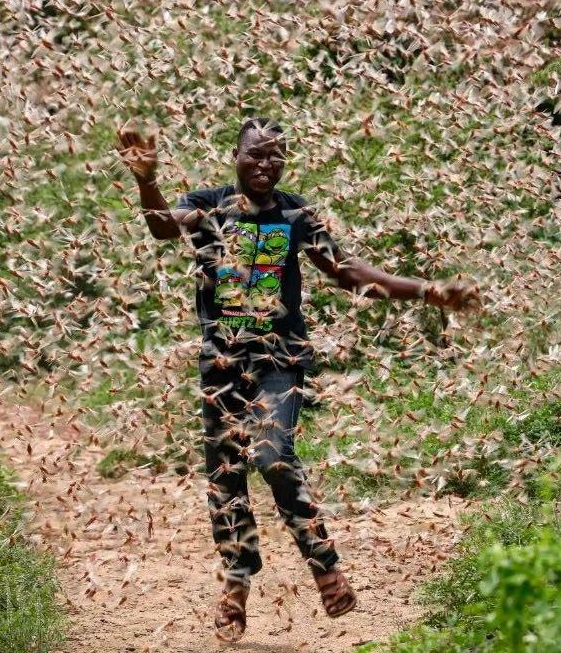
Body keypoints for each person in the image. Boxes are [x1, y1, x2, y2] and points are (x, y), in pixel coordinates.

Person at [116, 117, 481, 643]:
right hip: (221, 362)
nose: (264, 165)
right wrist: (146, 180)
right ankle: (235, 587)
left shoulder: (296, 214)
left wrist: (426, 291)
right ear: (235, 156)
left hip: (278, 360)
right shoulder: (209, 204)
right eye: (255, 155)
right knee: (225, 476)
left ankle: (325, 566)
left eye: (275, 157)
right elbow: (161, 226)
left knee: (272, 455)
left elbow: (348, 273)